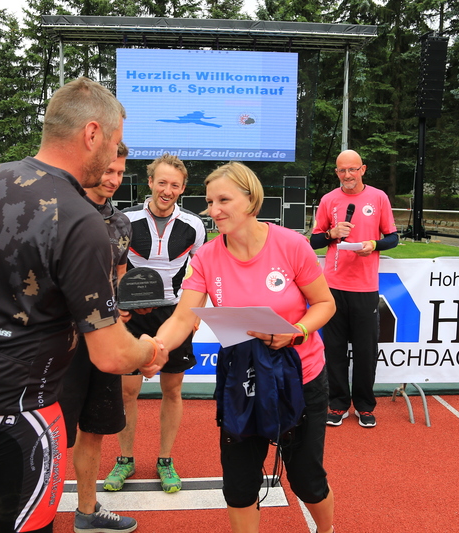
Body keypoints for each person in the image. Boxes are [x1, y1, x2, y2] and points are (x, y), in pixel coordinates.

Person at [0, 77, 168, 533]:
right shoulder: (80, 219)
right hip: (23, 411)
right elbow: (109, 353)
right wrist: (149, 351)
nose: (114, 156)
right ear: (92, 134)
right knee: (27, 525)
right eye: (115, 142)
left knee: (6, 516)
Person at [154, 161, 337, 533]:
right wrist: (155, 347)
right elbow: (183, 318)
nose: (214, 210)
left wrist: (297, 331)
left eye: (223, 200)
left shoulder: (291, 245)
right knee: (238, 487)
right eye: (209, 202)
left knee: (306, 480)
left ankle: (327, 529)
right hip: (243, 382)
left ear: (251, 200)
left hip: (300, 379)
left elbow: (325, 303)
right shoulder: (206, 257)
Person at [104, 154, 206, 494]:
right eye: (161, 182)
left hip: (175, 315)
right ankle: (125, 459)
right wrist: (119, 306)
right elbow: (113, 265)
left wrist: (195, 313)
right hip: (133, 316)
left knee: (172, 390)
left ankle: (165, 459)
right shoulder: (124, 219)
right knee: (127, 392)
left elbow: (200, 273)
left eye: (174, 185)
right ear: (150, 182)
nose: (167, 190)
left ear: (183, 188)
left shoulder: (194, 225)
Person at [59, 141, 137, 533]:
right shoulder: (61, 211)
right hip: (62, 342)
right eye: (108, 170)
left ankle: (87, 511)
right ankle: (33, 513)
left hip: (104, 338)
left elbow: (119, 273)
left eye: (120, 173)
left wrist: (122, 304)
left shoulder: (121, 223)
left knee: (93, 428)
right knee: (54, 432)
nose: (114, 179)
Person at [310, 149, 398, 428]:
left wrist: (373, 245)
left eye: (352, 169)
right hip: (332, 287)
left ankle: (364, 405)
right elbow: (313, 241)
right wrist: (331, 234)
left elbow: (393, 238)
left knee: (365, 351)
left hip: (366, 287)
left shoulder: (378, 197)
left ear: (363, 169)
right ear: (336, 172)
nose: (347, 175)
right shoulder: (328, 200)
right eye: (342, 170)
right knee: (334, 349)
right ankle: (337, 404)